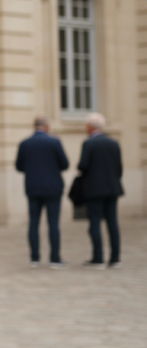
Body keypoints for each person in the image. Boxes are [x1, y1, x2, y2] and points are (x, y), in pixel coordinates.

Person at [15, 116, 69, 268]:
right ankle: (55, 258)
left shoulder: (25, 143)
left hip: (33, 187)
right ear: (47, 127)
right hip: (53, 188)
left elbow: (19, 166)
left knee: (33, 223)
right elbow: (64, 164)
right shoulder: (54, 142)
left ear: (34, 127)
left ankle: (34, 258)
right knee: (53, 223)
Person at [77, 112, 123, 269]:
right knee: (112, 223)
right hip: (112, 189)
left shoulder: (88, 144)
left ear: (90, 127)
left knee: (95, 223)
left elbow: (83, 166)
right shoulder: (113, 142)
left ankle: (98, 258)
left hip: (94, 190)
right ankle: (115, 258)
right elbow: (119, 168)